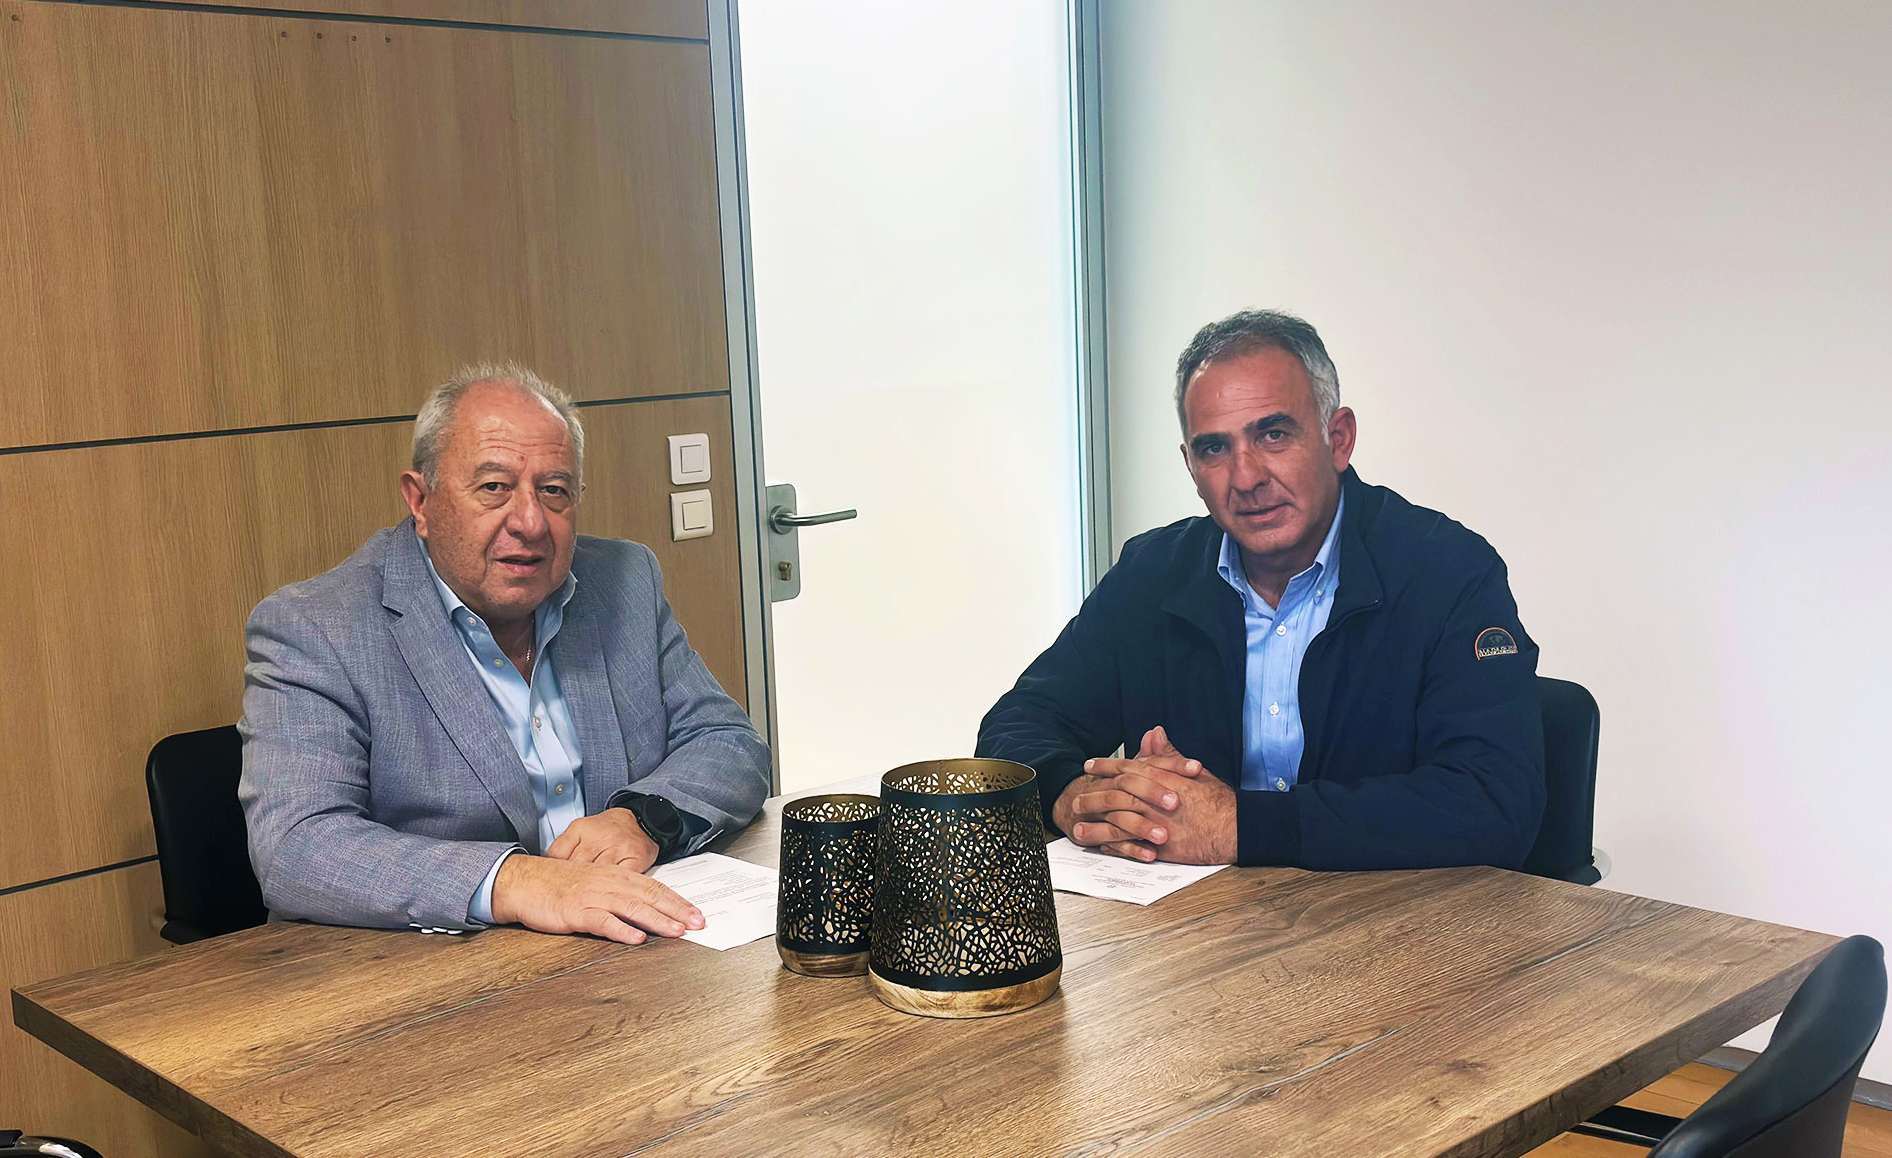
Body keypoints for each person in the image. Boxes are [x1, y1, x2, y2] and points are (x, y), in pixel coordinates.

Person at [977, 310, 1544, 870]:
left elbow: (1494, 801)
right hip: (1201, 920)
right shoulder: (1151, 573)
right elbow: (1019, 722)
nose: (1246, 478)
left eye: (1273, 435)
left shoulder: (1448, 572)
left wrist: (1239, 827)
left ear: (1338, 439)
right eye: (1214, 449)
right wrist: (1073, 796)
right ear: (1190, 466)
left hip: (1397, 920)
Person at [240, 364, 769, 943]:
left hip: (631, 951)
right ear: (420, 500)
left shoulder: (623, 582)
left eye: (554, 490)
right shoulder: (317, 627)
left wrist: (643, 818)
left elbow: (728, 742)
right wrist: (518, 882)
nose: (530, 522)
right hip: (438, 968)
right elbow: (296, 846)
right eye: (494, 487)